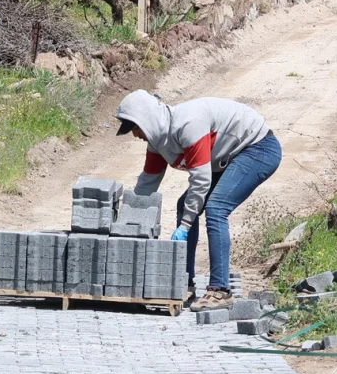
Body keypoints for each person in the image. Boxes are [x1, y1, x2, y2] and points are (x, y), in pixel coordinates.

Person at [115, 89, 281, 311]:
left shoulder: (188, 125)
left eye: (135, 127)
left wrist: (185, 225)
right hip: (227, 158)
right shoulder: (157, 141)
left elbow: (200, 181)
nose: (135, 135)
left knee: (216, 208)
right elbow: (148, 182)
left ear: (148, 120)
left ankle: (220, 291)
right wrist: (129, 220)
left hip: (258, 148)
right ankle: (184, 281)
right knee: (185, 205)